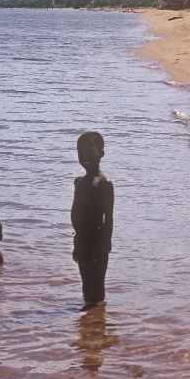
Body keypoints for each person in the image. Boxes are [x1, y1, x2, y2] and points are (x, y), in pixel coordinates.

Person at [71, 131, 114, 310]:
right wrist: (77, 241)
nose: (85, 157)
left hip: (97, 240)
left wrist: (105, 244)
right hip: (81, 238)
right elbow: (76, 213)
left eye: (90, 151)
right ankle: (92, 314)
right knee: (86, 279)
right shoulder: (79, 182)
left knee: (96, 280)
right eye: (81, 153)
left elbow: (109, 217)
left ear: (101, 153)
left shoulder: (104, 184)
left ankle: (96, 311)